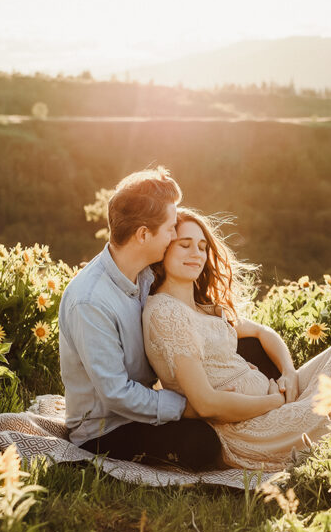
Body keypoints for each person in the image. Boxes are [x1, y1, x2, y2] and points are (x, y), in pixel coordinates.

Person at [142, 208, 331, 470]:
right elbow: (205, 403)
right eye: (184, 245)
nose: (196, 254)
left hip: (273, 399)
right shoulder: (166, 313)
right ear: (164, 250)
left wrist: (289, 372)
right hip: (247, 427)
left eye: (201, 246)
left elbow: (262, 331)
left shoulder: (203, 309)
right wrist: (273, 402)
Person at [59, 167, 229, 470]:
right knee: (204, 444)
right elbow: (117, 394)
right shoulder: (90, 301)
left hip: (147, 407)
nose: (175, 236)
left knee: (253, 358)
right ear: (143, 235)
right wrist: (187, 408)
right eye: (170, 229)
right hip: (106, 430)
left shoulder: (148, 274)